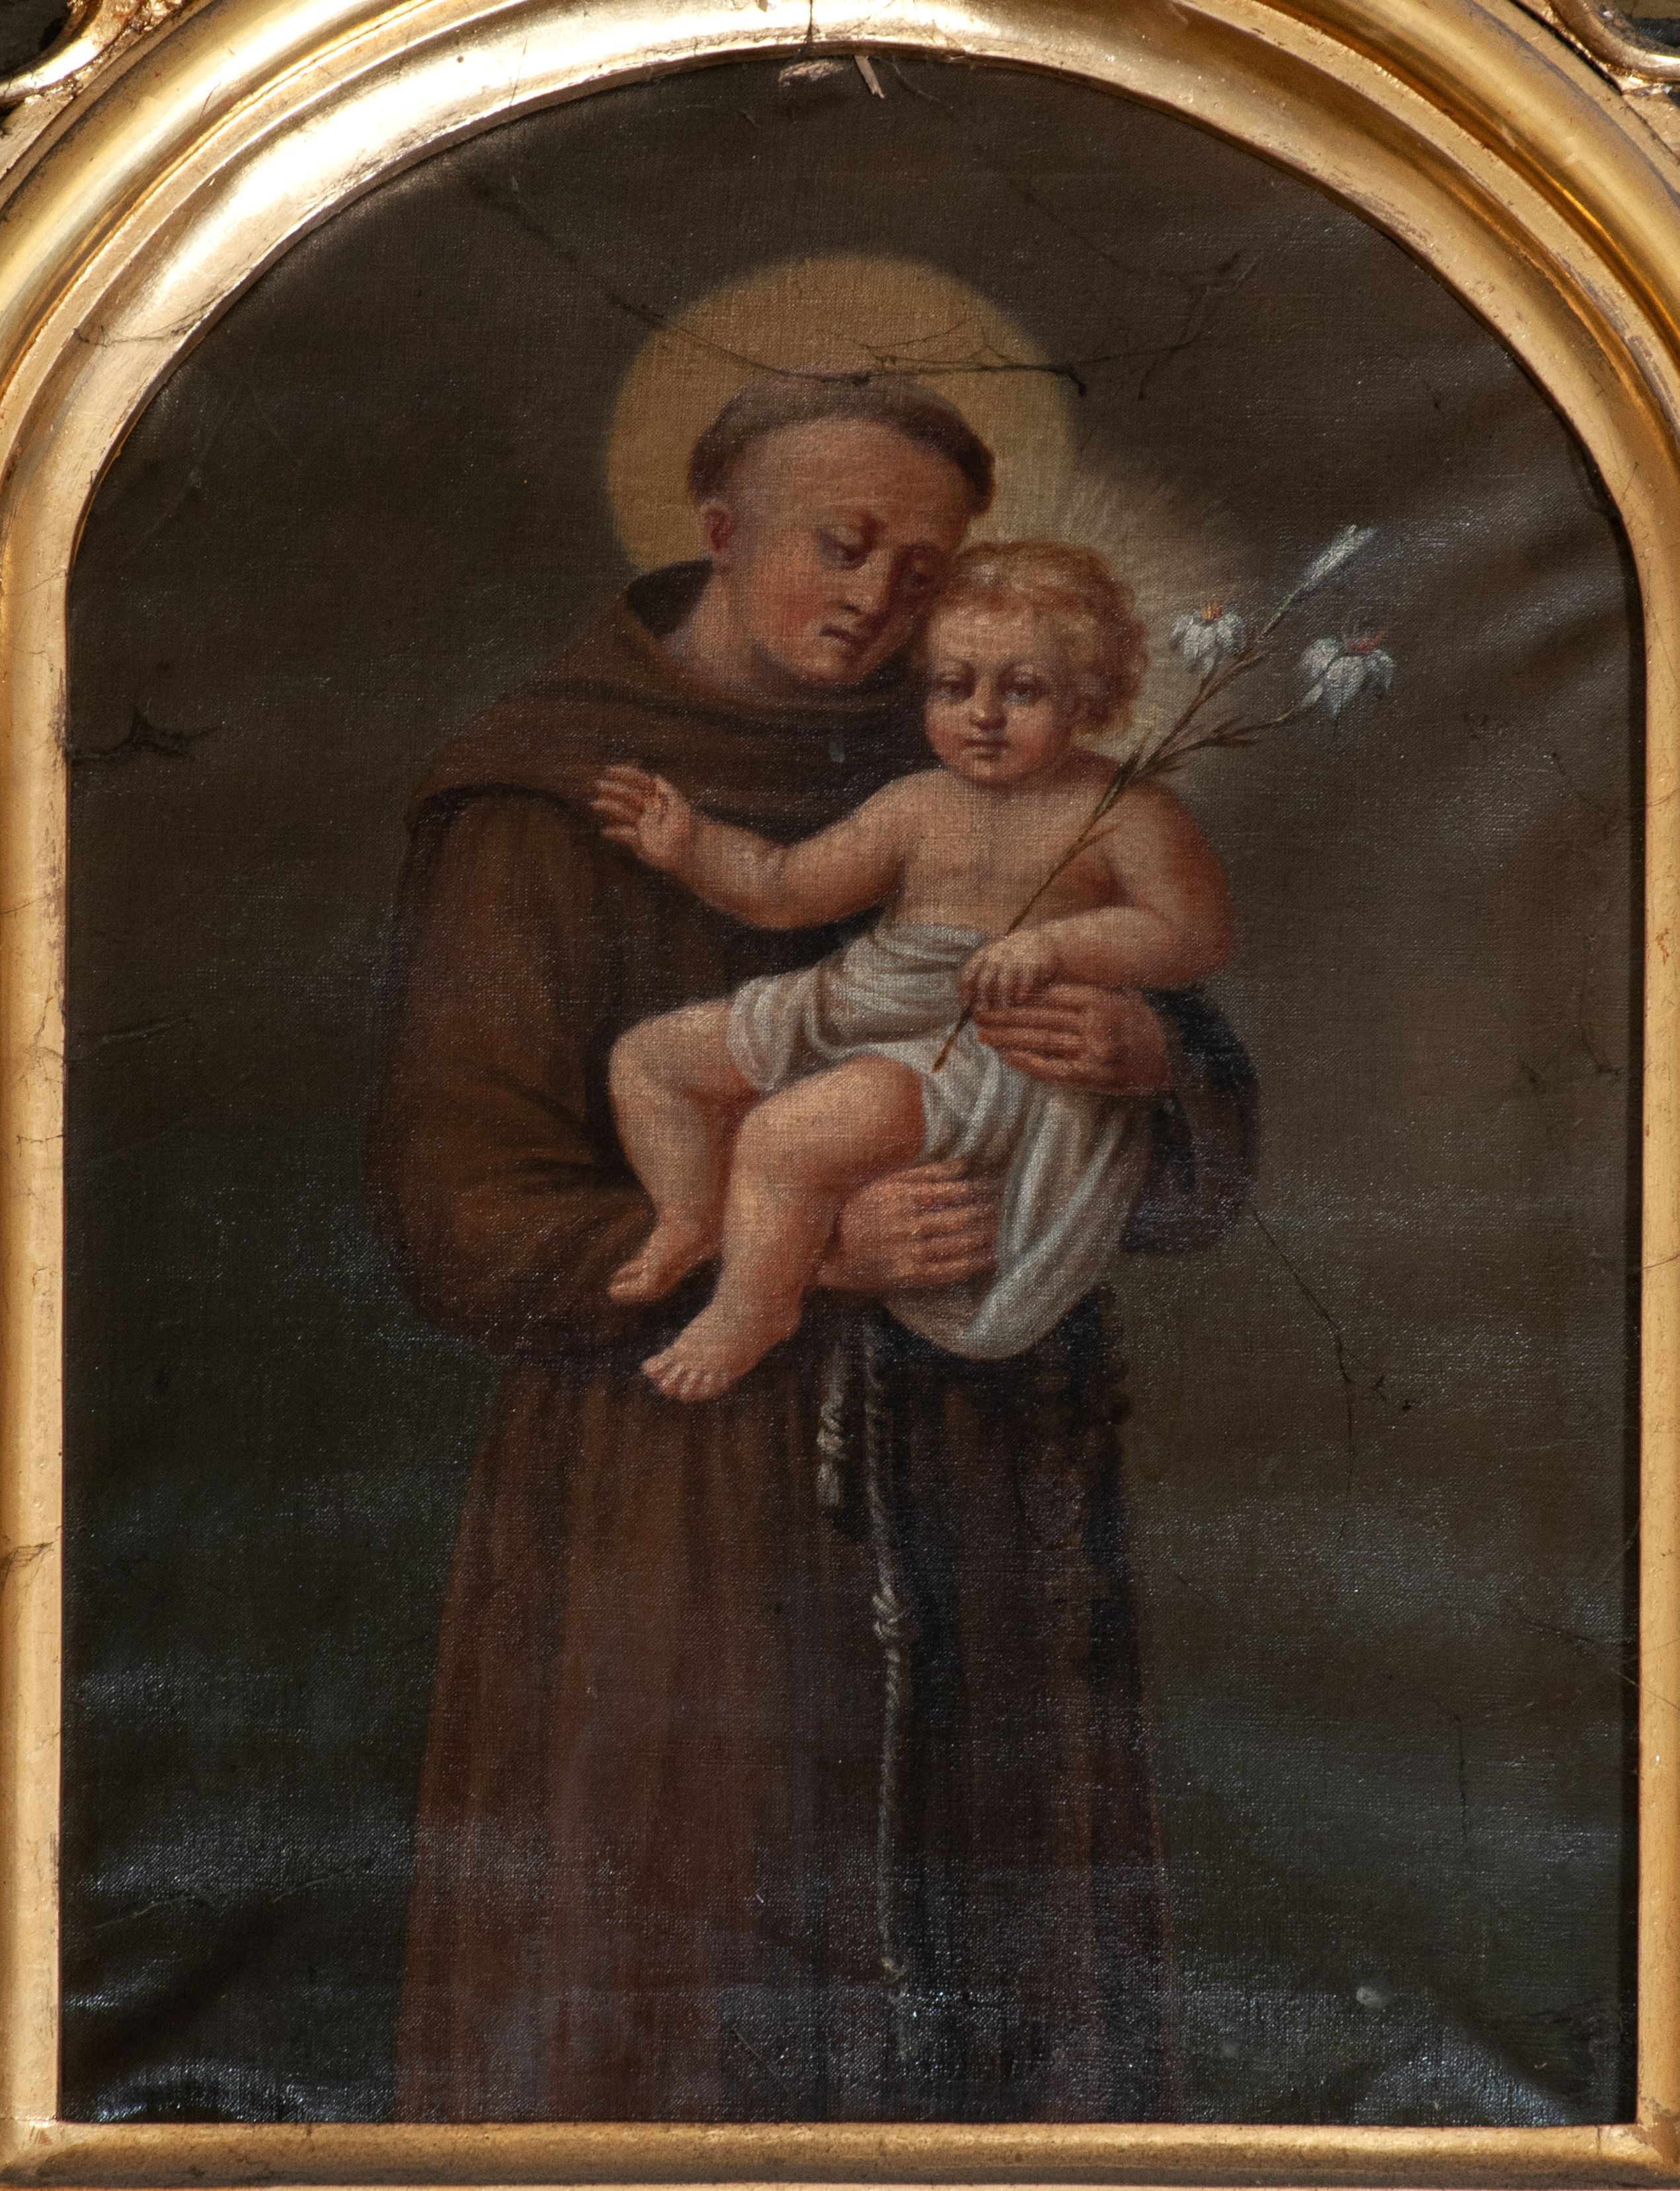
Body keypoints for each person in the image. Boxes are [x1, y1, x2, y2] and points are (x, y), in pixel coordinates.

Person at [371, 374, 1258, 2123]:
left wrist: (1144, 1061)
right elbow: (457, 1212)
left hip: (990, 1474)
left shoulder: (993, 753)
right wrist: (787, 1254)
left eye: (924, 571)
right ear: (718, 532)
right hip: (672, 1498)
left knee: (990, 1988)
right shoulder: (539, 795)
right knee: (686, 1977)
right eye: (841, 547)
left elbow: (1188, 1136)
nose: (882, 603)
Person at [591, 541, 1235, 1399]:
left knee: (785, 1137)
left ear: (1087, 695)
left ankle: (756, 1307)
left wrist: (1057, 949)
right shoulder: (916, 804)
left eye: (1022, 690)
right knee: (650, 1061)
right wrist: (692, 847)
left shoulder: (1126, 810)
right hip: (861, 999)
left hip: (966, 1046)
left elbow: (1193, 935)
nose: (983, 715)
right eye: (953, 686)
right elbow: (784, 888)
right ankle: (688, 1218)